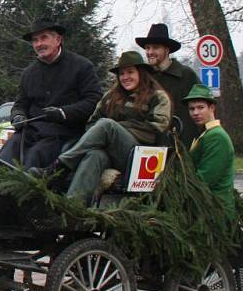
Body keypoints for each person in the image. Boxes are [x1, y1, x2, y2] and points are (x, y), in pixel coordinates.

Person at [42, 51, 171, 203]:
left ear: (141, 73)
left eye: (130, 72)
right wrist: (102, 136)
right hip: (110, 152)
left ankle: (59, 167)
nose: (125, 77)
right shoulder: (110, 97)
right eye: (121, 73)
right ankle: (73, 207)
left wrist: (118, 129)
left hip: (140, 156)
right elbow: (92, 122)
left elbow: (158, 128)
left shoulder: (157, 96)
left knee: (106, 125)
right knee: (95, 155)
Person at [0, 18, 102, 169]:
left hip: (64, 133)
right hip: (31, 131)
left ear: (58, 39)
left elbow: (94, 100)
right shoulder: (29, 73)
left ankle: (27, 190)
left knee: (35, 157)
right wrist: (18, 116)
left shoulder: (82, 66)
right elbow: (21, 103)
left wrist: (63, 113)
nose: (39, 44)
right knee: (6, 154)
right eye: (35, 40)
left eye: (44, 38)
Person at [136, 23, 200, 148]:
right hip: (149, 147)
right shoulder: (144, 78)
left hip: (181, 146)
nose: (150, 52)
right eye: (147, 48)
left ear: (167, 49)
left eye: (155, 48)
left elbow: (202, 109)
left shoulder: (186, 76)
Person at [184, 84, 236, 219]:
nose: (195, 113)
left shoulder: (216, 136)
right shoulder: (205, 133)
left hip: (215, 211)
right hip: (206, 209)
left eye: (200, 107)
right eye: (192, 109)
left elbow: (205, 178)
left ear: (212, 108)